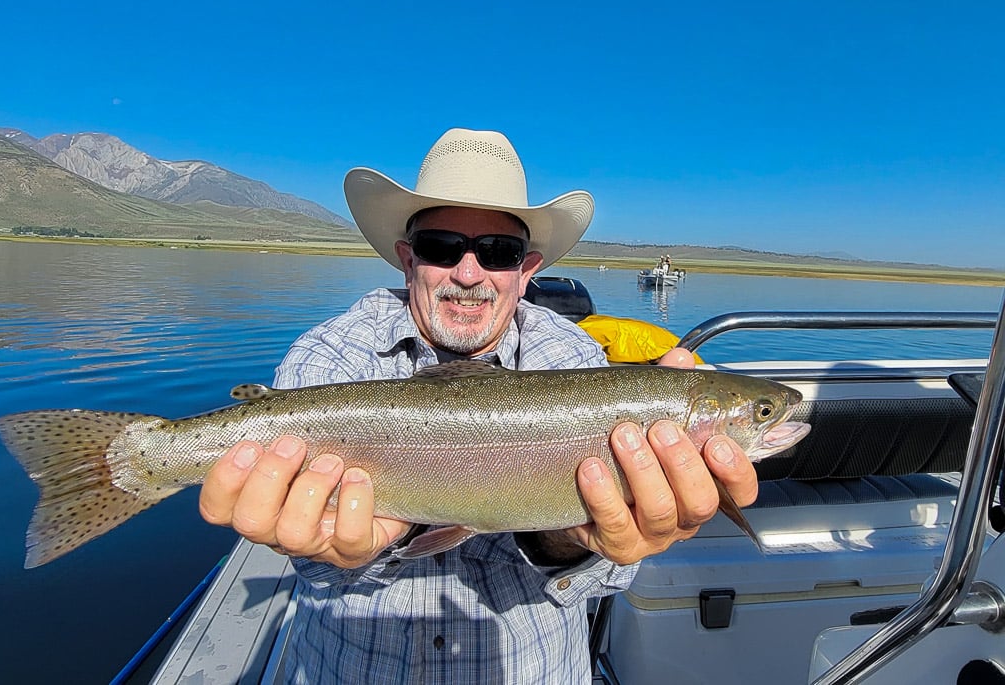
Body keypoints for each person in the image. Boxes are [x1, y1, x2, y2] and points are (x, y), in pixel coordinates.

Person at [198, 128, 758, 682]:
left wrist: (574, 537)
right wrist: (331, 555)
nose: (469, 274)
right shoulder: (331, 356)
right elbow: (313, 572)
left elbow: (603, 577)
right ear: (406, 258)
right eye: (441, 247)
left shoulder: (571, 357)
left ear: (527, 268)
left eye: (497, 252)